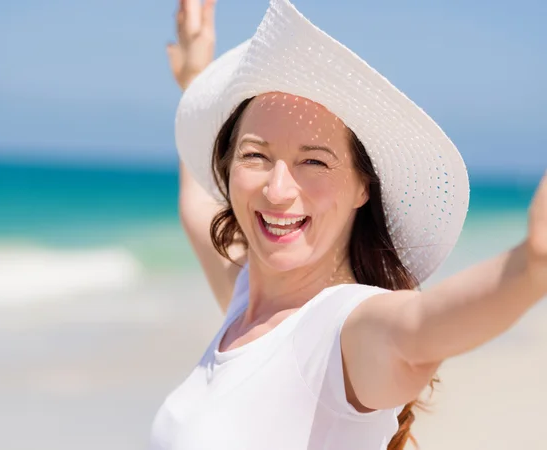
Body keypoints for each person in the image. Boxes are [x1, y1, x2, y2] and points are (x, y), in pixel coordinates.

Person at [151, 0, 547, 449]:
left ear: (364, 187)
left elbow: (419, 328)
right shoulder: (246, 302)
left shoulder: (342, 328)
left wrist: (532, 263)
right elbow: (195, 208)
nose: (278, 189)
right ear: (227, 167)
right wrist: (194, 80)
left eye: (314, 161)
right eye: (256, 155)